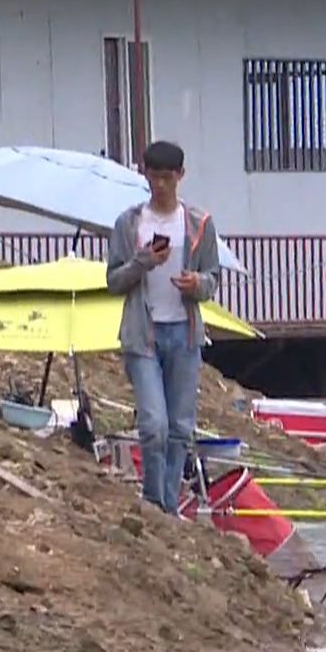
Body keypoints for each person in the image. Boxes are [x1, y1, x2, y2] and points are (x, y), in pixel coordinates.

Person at [106, 140, 222, 516]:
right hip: (144, 334)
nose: (160, 185)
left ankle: (167, 505)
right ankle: (154, 500)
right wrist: (143, 262)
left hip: (184, 334)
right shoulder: (129, 223)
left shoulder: (199, 224)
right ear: (145, 175)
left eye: (167, 178)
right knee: (153, 423)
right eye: (154, 177)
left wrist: (197, 284)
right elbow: (113, 280)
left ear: (180, 177)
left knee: (180, 427)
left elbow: (213, 278)